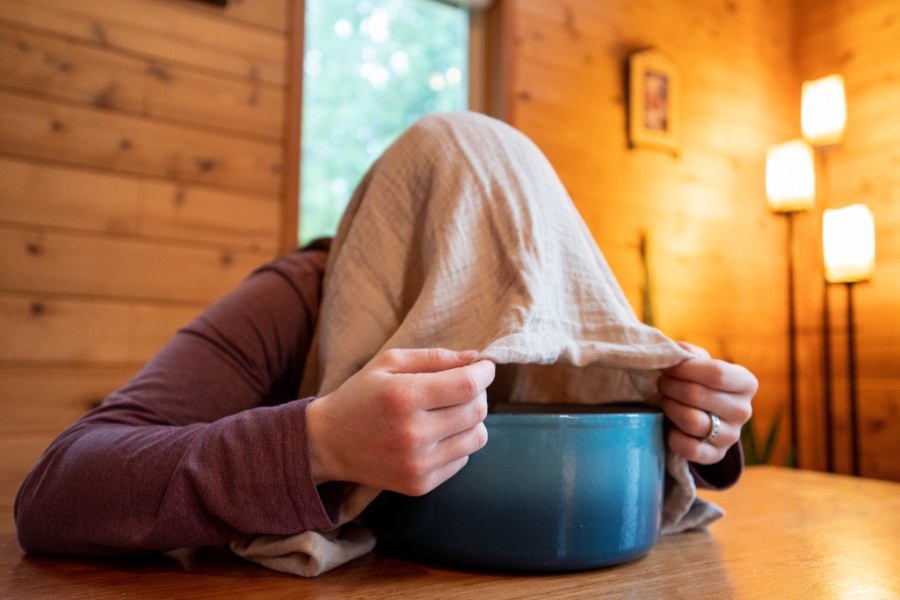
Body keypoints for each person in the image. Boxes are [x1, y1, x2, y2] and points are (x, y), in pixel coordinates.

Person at [15, 112, 756, 572]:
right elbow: (59, 489)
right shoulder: (296, 295)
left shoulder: (550, 295)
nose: (510, 324)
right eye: (468, 287)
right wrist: (317, 444)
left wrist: (699, 428)